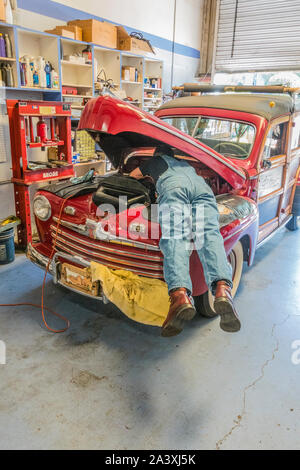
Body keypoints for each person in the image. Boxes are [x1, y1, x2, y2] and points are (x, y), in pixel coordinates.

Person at [129, 145, 241, 337]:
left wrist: (145, 178)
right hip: (202, 190)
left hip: (174, 188)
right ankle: (223, 290)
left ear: (158, 155)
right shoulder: (186, 164)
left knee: (175, 235)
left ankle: (180, 295)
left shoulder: (155, 162)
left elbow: (132, 176)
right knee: (209, 234)